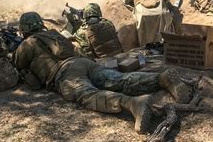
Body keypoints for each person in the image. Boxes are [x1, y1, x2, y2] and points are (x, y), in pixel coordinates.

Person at [13, 12, 191, 134]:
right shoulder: (53, 34)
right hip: (85, 63)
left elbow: (17, 66)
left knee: (89, 94)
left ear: (24, 29)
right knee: (119, 79)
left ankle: (132, 104)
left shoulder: (26, 44)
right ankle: (161, 79)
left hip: (65, 73)